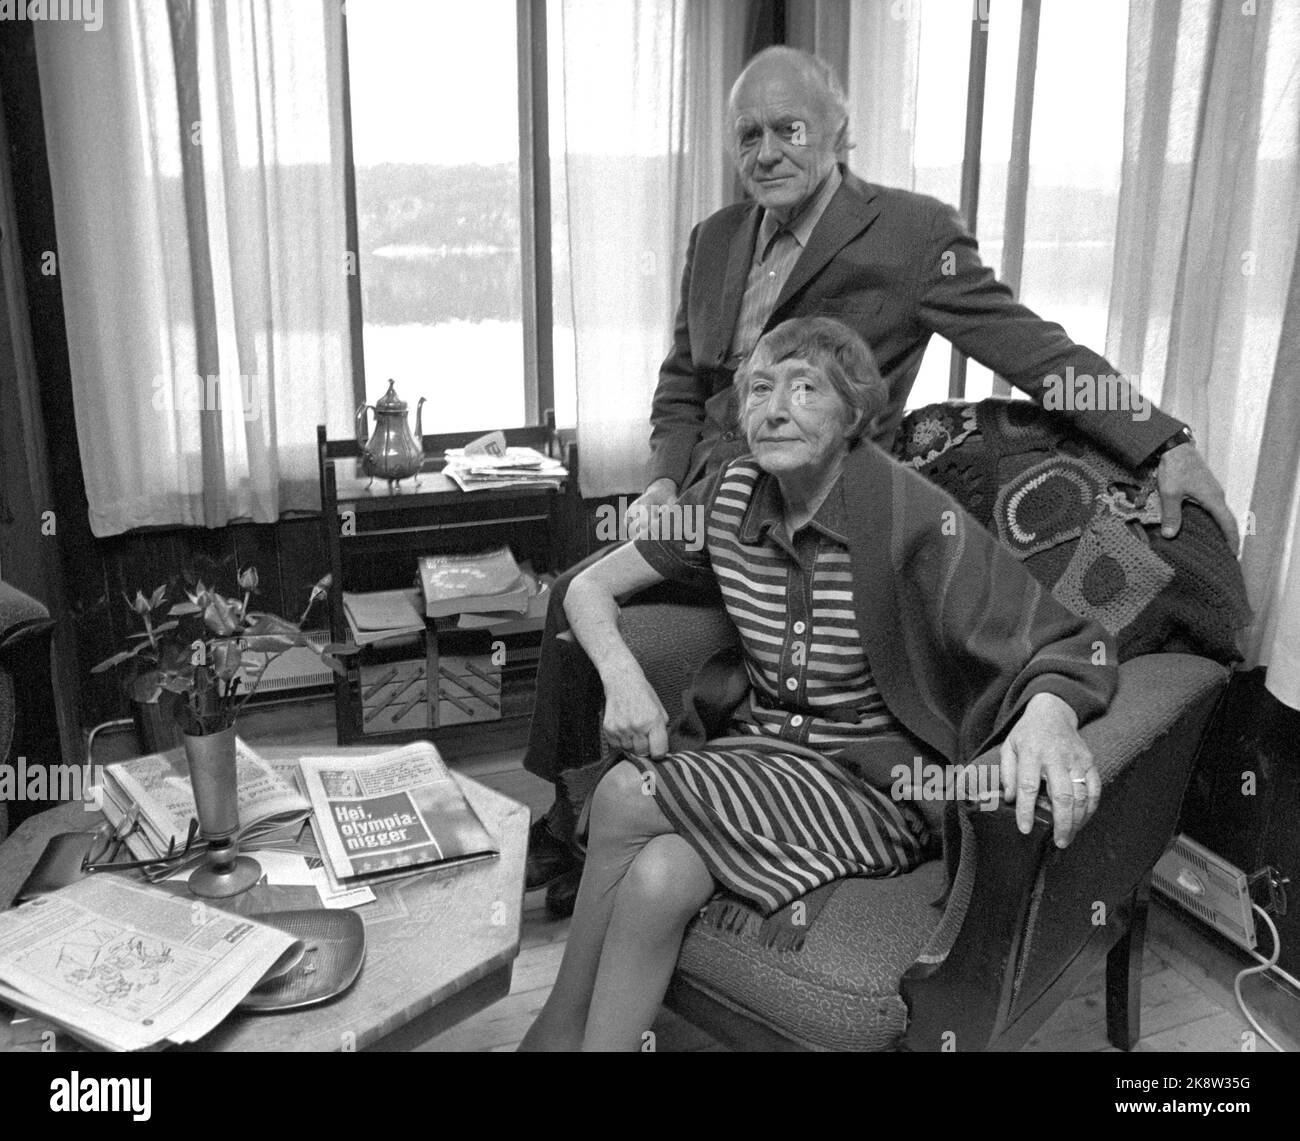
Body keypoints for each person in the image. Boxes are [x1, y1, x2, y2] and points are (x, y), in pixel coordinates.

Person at [524, 45, 1238, 913]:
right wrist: (668, 480)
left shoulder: (910, 235)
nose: (767, 151)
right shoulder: (714, 239)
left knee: (590, 594)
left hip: (816, 509)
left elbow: (1034, 349)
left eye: (789, 129)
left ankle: (589, 839)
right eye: (748, 134)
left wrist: (1164, 442)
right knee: (573, 592)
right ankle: (562, 822)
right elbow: (684, 381)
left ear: (840, 132)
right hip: (711, 504)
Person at [519, 317, 1116, 1051]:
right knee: (658, 877)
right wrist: (621, 679)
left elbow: (1068, 637)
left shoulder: (910, 514)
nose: (774, 408)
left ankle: (549, 1037)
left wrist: (1048, 714)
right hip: (759, 757)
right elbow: (586, 589)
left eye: (805, 389)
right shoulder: (725, 495)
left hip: (872, 786)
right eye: (759, 389)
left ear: (853, 413)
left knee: (623, 792)